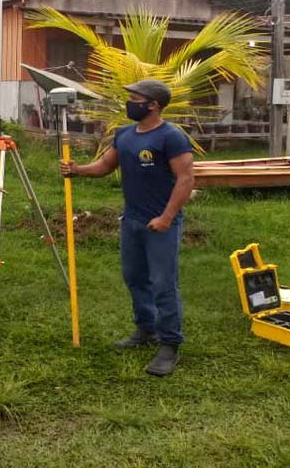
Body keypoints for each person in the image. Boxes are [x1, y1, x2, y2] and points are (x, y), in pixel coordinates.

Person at [60, 80, 194, 376]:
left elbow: (186, 180)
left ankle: (170, 343)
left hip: (161, 223)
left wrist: (167, 218)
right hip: (131, 220)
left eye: (135, 98)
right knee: (134, 277)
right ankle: (146, 329)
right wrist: (78, 169)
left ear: (153, 105)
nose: (129, 102)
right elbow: (106, 166)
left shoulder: (171, 137)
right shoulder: (125, 135)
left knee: (163, 283)